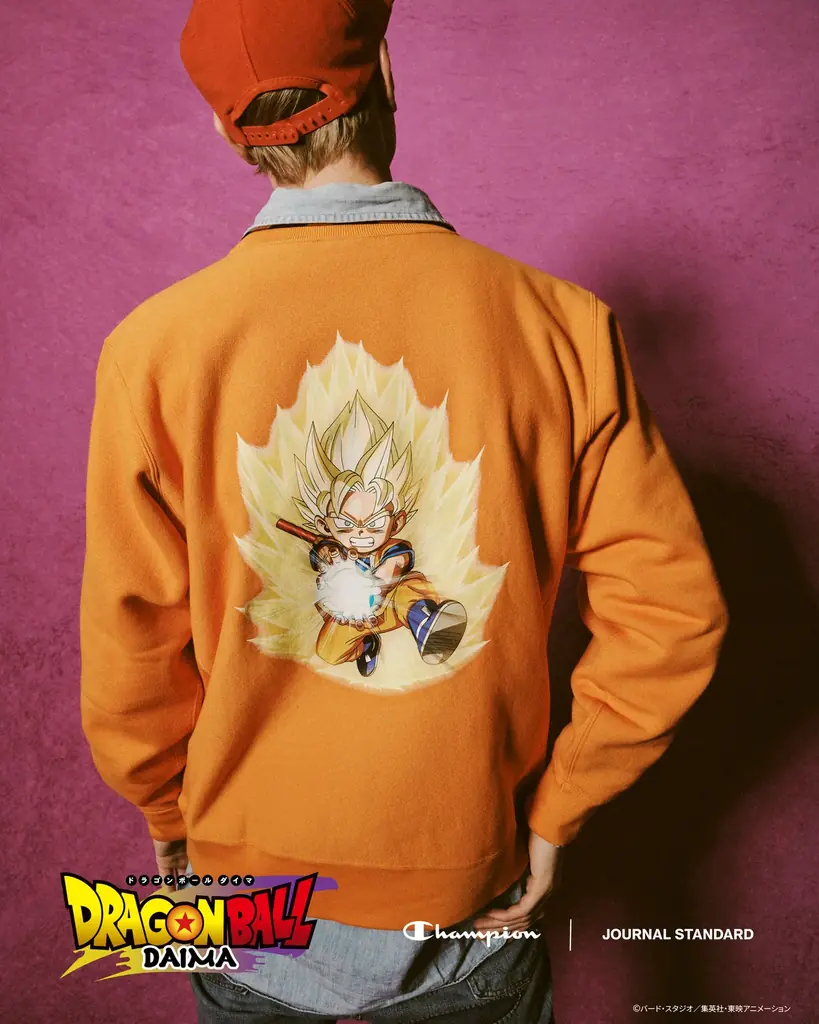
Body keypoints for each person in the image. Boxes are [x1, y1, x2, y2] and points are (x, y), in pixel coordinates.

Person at [78, 1, 729, 1021]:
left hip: (244, 900)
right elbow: (673, 616)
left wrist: (167, 810)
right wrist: (557, 810)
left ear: (225, 129)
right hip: (466, 895)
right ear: (384, 69)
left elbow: (130, 653)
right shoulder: (563, 329)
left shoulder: (150, 353)